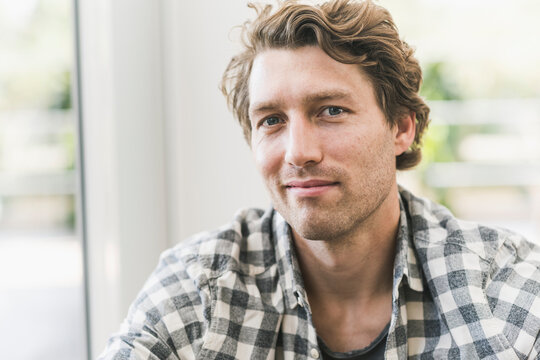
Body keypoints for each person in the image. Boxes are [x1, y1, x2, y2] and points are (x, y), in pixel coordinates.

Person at [99, 0, 540, 359]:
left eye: (331, 111)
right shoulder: (202, 286)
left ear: (401, 128)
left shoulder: (502, 289)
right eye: (271, 120)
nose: (298, 152)